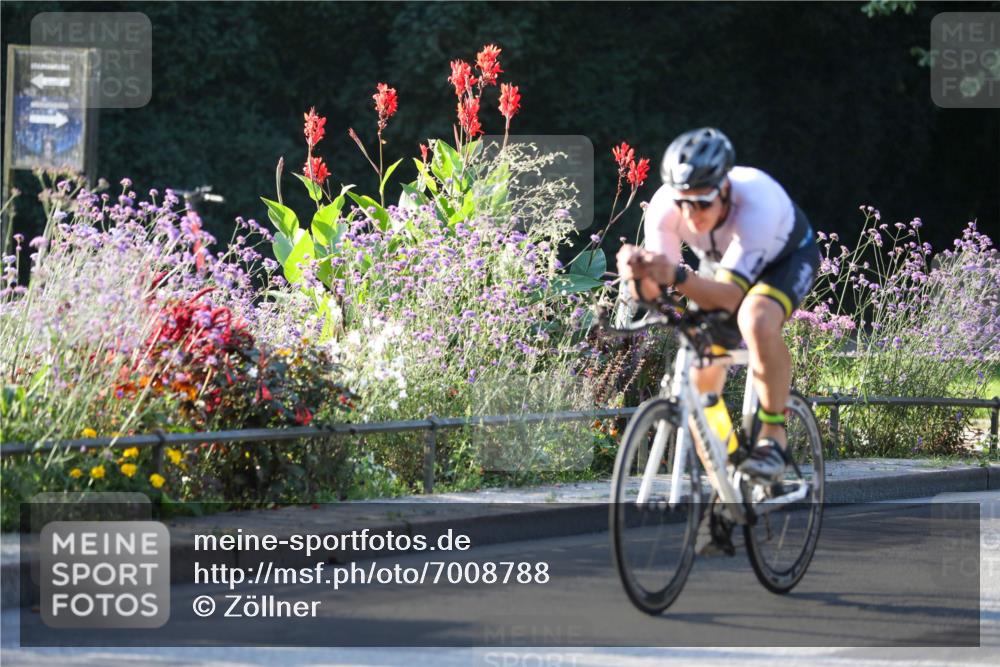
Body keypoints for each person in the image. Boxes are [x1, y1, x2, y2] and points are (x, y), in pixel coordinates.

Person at [616, 127, 821, 553]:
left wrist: (669, 275)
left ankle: (772, 438)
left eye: (703, 202)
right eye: (683, 202)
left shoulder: (757, 203)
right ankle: (728, 498)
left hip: (784, 258)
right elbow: (667, 288)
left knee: (756, 317)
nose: (691, 214)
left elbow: (727, 296)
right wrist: (638, 277)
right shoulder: (665, 210)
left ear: (724, 189)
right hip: (722, 264)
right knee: (700, 379)